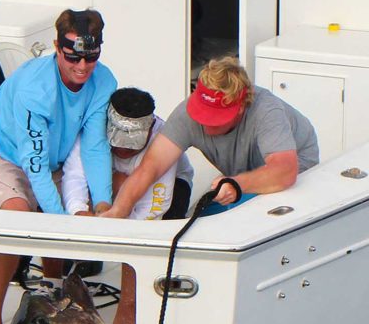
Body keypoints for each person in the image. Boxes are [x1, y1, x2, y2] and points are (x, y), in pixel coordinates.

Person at [0, 8, 117, 324]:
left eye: (91, 58)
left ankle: (56, 308)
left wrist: (101, 206)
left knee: (61, 224)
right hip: (5, 156)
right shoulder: (34, 89)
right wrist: (64, 223)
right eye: (73, 58)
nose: (83, 68)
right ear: (56, 47)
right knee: (20, 217)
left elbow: (95, 146)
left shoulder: (105, 81)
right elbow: (33, 167)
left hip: (56, 159)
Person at [101, 56, 318, 220]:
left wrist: (236, 183)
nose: (205, 123)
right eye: (202, 112)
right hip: (236, 178)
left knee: (242, 221)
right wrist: (119, 210)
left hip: (297, 175)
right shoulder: (187, 113)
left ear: (241, 106)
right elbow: (151, 167)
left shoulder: (267, 111)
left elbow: (285, 171)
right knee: (202, 221)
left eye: (215, 117)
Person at [60, 87, 193, 324]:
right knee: (109, 186)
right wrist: (80, 214)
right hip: (108, 185)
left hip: (168, 185)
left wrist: (122, 234)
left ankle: (129, 306)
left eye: (130, 148)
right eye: (117, 146)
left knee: (148, 237)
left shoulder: (164, 138)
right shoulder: (93, 127)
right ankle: (85, 264)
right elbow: (75, 175)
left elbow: (154, 208)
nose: (123, 152)